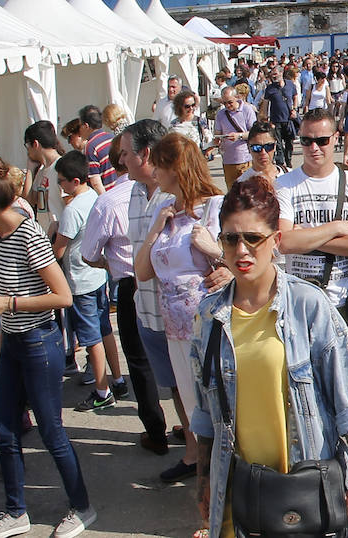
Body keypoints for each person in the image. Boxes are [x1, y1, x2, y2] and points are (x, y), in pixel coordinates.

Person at [191, 176, 348, 538]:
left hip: (305, 484)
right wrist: (204, 484)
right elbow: (205, 413)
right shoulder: (209, 315)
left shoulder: (308, 306)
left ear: (276, 241)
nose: (242, 250)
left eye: (253, 238)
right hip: (240, 491)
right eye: (231, 238)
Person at [274, 108, 348, 492]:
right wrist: (338, 227)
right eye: (306, 141)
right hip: (299, 305)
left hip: (345, 301)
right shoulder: (285, 184)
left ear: (336, 139)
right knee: (305, 386)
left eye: (322, 140)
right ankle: (318, 464)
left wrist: (310, 234)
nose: (315, 148)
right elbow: (283, 242)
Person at [0, 166, 97, 538]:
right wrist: (2, 351)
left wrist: (9, 304)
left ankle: (82, 507)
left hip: (40, 342)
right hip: (15, 344)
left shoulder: (28, 234)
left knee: (51, 432)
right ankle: (16, 512)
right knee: (4, 431)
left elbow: (62, 296)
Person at [134, 133, 225, 484]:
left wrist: (216, 251)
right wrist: (156, 229)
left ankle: (228, 494)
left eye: (158, 164)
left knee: (221, 411)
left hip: (211, 328)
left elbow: (239, 257)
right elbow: (142, 271)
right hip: (176, 331)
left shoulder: (217, 206)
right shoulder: (164, 211)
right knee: (194, 411)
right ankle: (208, 491)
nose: (153, 170)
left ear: (175, 167)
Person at [80, 135, 169, 454]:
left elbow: (88, 254)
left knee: (141, 362)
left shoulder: (107, 201)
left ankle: (157, 432)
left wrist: (113, 264)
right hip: (157, 280)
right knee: (172, 357)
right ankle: (182, 431)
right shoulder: (153, 191)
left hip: (134, 283)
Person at [51, 151, 125, 413]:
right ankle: (117, 379)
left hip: (80, 281)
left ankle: (102, 391)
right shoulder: (95, 197)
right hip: (96, 275)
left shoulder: (72, 210)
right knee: (104, 330)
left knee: (91, 338)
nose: (59, 186)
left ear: (73, 181)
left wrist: (51, 235)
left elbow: (58, 251)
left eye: (60, 181)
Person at [214, 86, 257, 189]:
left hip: (246, 159)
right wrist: (217, 140)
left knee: (247, 191)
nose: (227, 106)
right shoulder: (220, 114)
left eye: (230, 102)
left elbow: (255, 133)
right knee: (232, 193)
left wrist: (239, 136)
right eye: (224, 103)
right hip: (228, 160)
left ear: (237, 97)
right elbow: (217, 133)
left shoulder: (247, 110)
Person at [259, 66, 300, 169]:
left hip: (288, 119)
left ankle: (288, 160)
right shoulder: (270, 88)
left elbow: (295, 96)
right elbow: (265, 103)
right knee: (278, 143)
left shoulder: (290, 84)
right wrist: (264, 117)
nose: (274, 76)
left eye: (275, 73)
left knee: (289, 142)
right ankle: (280, 162)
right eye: (272, 74)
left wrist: (294, 109)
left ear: (281, 73)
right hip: (275, 120)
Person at [78, 105, 117, 193]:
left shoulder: (90, 146)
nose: (79, 130)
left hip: (108, 193)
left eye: (80, 126)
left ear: (86, 126)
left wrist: (105, 200)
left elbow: (95, 182)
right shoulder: (112, 138)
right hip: (121, 190)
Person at [169, 90, 213, 159]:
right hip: (180, 160)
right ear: (179, 107)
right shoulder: (174, 124)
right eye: (187, 106)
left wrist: (208, 151)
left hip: (197, 159)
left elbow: (209, 138)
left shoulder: (200, 121)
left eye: (193, 105)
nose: (191, 108)